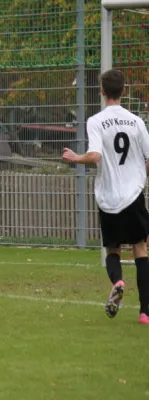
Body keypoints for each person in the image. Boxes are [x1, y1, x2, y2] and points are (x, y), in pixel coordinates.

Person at [62, 69, 149, 325]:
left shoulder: (96, 121)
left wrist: (75, 157)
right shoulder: (137, 122)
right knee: (140, 249)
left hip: (109, 197)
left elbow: (95, 156)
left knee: (113, 248)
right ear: (124, 91)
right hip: (133, 194)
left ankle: (118, 281)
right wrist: (139, 177)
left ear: (102, 91)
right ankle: (145, 312)